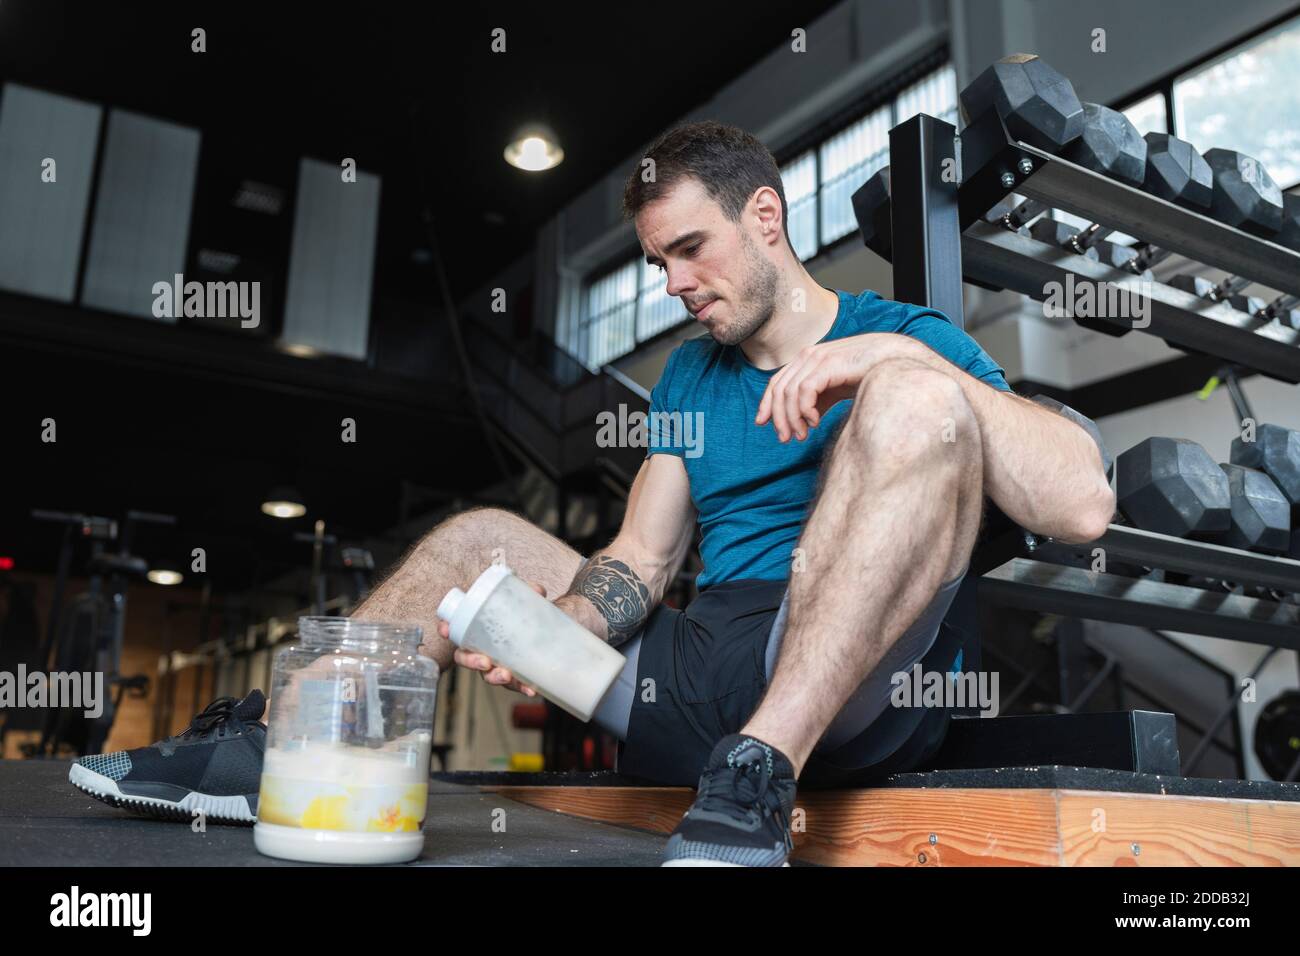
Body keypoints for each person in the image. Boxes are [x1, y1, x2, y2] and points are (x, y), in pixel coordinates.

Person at [71, 120, 1113, 866]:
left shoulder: (913, 340)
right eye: (658, 261)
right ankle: (289, 743)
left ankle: (761, 774)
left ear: (765, 217)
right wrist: (555, 621)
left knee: (921, 403)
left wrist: (886, 357)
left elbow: (1080, 506)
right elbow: (644, 559)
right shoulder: (687, 378)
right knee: (476, 534)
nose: (673, 282)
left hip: (846, 684)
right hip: (697, 679)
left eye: (689, 248)